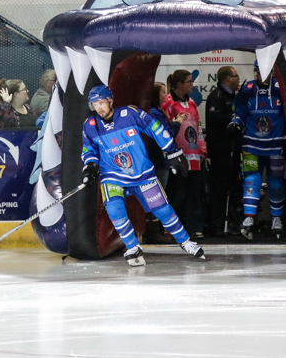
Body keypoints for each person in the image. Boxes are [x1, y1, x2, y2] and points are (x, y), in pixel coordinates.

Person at [80, 85, 204, 266]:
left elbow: (156, 128)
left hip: (142, 173)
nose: (99, 108)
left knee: (163, 210)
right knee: (114, 209)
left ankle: (185, 242)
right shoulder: (90, 125)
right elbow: (89, 150)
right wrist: (90, 165)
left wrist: (172, 151)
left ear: (110, 101)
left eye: (101, 103)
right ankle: (132, 247)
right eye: (95, 104)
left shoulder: (130, 114)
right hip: (113, 175)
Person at [229, 61, 286, 240]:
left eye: (267, 71)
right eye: (260, 71)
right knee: (251, 180)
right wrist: (235, 124)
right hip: (251, 144)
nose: (263, 75)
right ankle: (249, 217)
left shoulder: (280, 87)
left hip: (275, 144)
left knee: (276, 183)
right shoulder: (247, 88)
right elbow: (240, 112)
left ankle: (276, 218)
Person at [162, 69, 207, 240]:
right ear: (178, 85)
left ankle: (195, 228)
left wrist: (202, 149)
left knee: (194, 193)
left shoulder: (192, 103)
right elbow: (166, 129)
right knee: (177, 193)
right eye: (188, 81)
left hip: (193, 155)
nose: (191, 84)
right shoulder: (169, 103)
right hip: (177, 156)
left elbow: (198, 127)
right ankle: (173, 228)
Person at [205, 66, 242, 237]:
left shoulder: (235, 96)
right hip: (220, 150)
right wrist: (232, 118)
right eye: (236, 76)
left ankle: (233, 221)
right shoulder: (217, 95)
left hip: (234, 147)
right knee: (219, 187)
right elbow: (215, 118)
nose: (238, 79)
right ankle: (216, 223)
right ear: (227, 78)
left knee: (233, 186)